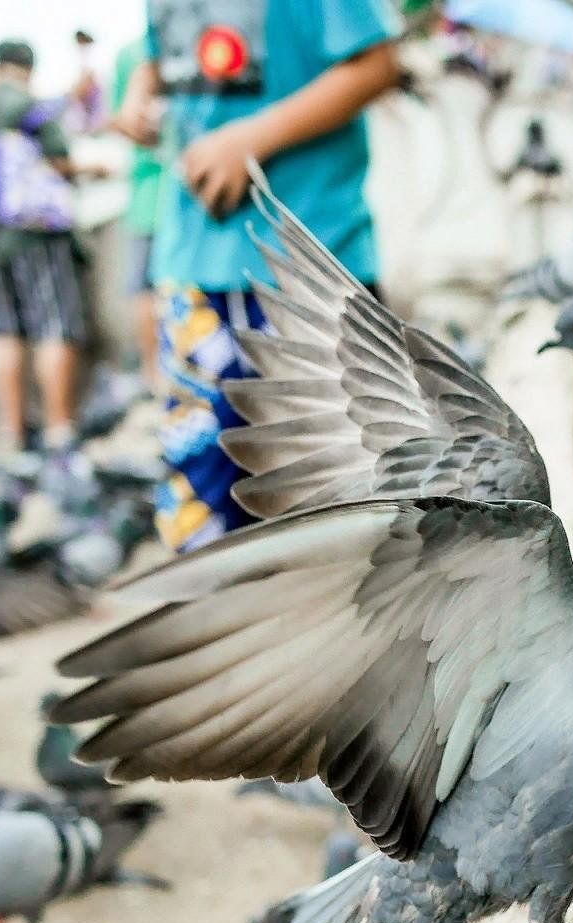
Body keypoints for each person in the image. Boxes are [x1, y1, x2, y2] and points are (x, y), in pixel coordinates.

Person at [116, 1, 401, 552]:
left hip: (308, 265)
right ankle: (221, 627)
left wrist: (253, 137)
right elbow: (158, 54)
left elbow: (378, 62)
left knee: (344, 493)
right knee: (203, 495)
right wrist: (137, 97)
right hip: (192, 265)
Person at [0, 40, 97, 454]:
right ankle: (58, 429)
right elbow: (58, 161)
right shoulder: (30, 105)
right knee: (55, 326)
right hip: (38, 236)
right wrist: (93, 168)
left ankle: (14, 432)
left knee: (6, 333)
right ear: (29, 68)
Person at [109, 38, 163, 390]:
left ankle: (154, 375)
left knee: (145, 289)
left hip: (149, 196)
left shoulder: (129, 52)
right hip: (184, 192)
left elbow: (123, 120)